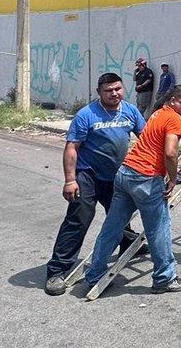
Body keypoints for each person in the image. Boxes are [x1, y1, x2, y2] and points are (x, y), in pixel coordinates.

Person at [85, 85, 181, 294]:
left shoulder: (160, 114)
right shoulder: (173, 118)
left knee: (112, 227)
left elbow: (180, 132)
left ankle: (94, 274)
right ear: (173, 100)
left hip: (125, 173)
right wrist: (173, 179)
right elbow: (170, 153)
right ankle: (165, 278)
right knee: (159, 230)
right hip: (146, 178)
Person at [43, 73, 148, 296]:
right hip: (87, 174)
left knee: (120, 214)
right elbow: (72, 148)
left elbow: (146, 138)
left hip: (115, 174)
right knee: (79, 218)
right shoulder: (86, 115)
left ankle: (127, 243)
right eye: (109, 90)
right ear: (99, 92)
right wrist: (70, 180)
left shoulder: (130, 111)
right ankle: (57, 270)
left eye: (118, 89)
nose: (114, 94)